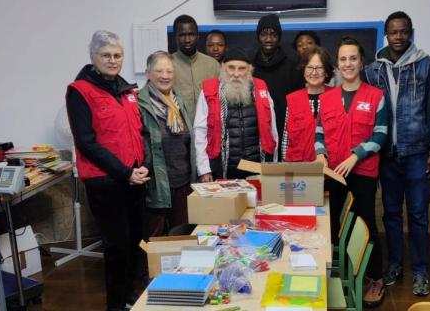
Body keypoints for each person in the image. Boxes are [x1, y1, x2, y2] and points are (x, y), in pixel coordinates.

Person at [361, 11, 430, 296]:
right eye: (393, 32)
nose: (398, 37)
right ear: (386, 34)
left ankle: (421, 271)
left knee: (419, 215)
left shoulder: (426, 65)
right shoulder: (372, 70)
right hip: (386, 155)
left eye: (403, 31)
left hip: (418, 152)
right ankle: (395, 264)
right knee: (391, 214)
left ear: (411, 32)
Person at [66, 31, 150, 311]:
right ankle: (115, 304)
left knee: (137, 241)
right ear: (93, 58)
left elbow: (139, 132)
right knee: (117, 247)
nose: (112, 61)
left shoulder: (126, 90)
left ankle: (130, 297)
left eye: (117, 55)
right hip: (106, 183)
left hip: (134, 180)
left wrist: (141, 166)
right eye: (106, 55)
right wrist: (125, 172)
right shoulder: (80, 91)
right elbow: (86, 142)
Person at [315, 37, 388, 308]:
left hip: (363, 172)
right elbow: (319, 132)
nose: (348, 64)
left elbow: (381, 135)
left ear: (361, 62)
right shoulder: (327, 98)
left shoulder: (376, 96)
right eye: (343, 59)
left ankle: (376, 278)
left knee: (366, 224)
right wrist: (320, 153)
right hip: (333, 172)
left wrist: (355, 156)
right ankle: (335, 273)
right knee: (331, 224)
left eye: (353, 58)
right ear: (337, 64)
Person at [194, 48, 278, 181]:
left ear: (249, 69)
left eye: (242, 68)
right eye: (231, 68)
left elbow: (271, 130)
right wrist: (204, 169)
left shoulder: (261, 88)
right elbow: (200, 132)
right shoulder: (209, 91)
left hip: (257, 165)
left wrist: (273, 164)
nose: (236, 74)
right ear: (223, 67)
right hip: (222, 168)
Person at [138, 51, 195, 237]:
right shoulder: (139, 104)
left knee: (181, 235)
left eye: (169, 71)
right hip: (155, 185)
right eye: (159, 71)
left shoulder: (180, 102)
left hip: (183, 183)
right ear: (147, 73)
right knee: (153, 239)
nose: (165, 76)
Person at [251, 14, 301, 157]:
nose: (268, 39)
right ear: (257, 36)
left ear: (279, 37)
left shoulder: (292, 62)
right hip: (256, 126)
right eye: (263, 34)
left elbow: (298, 99)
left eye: (273, 35)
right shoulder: (250, 62)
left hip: (284, 124)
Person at [282, 46, 333, 161]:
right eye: (309, 67)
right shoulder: (292, 99)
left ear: (326, 72)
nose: (314, 73)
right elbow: (286, 138)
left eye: (319, 68)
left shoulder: (337, 96)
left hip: (329, 168)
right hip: (298, 169)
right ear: (303, 70)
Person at [171, 14, 220, 121]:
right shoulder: (167, 65)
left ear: (198, 36)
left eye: (191, 34)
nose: (187, 39)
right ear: (175, 37)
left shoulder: (213, 65)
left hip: (208, 129)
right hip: (178, 131)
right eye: (182, 35)